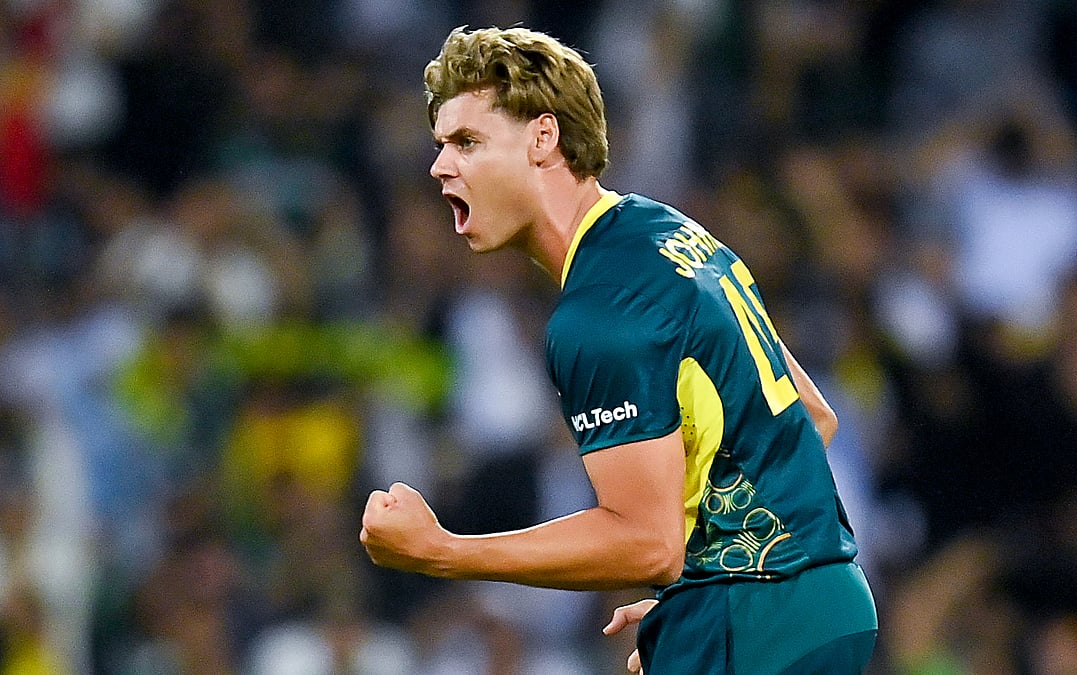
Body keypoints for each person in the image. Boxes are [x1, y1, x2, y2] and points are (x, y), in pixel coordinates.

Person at [359, 25, 878, 674]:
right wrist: (703, 586)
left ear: (542, 140)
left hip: (758, 621)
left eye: (467, 141)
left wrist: (442, 549)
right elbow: (810, 419)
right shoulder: (668, 230)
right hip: (825, 604)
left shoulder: (597, 313)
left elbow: (645, 545)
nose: (440, 166)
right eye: (441, 145)